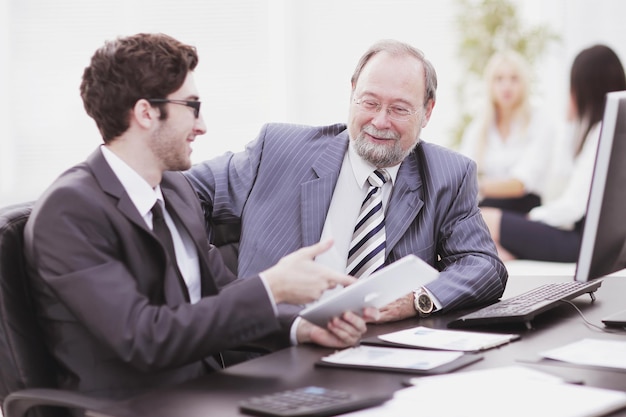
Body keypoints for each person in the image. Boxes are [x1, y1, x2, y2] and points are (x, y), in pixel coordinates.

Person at [23, 33, 377, 401]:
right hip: (130, 406)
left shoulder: (174, 190)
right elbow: (144, 339)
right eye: (192, 106)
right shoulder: (71, 210)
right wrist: (272, 287)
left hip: (205, 393)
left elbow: (220, 295)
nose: (202, 125)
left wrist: (303, 326)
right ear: (146, 112)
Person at [185, 39, 508, 323]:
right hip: (273, 347)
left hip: (383, 351)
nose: (380, 121)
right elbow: (181, 192)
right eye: (369, 103)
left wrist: (417, 299)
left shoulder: (448, 174)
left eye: (399, 109)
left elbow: (483, 266)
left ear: (427, 112)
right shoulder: (278, 148)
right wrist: (217, 281)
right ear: (352, 92)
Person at [481, 44, 626, 262]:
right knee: (491, 241)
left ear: (585, 88)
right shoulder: (611, 129)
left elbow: (574, 207)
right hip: (594, 242)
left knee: (482, 219)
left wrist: (534, 217)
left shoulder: (599, 133)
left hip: (579, 244)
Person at [459, 49, 556, 213]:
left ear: (524, 83)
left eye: (514, 78)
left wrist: (479, 186)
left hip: (525, 209)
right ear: (490, 84)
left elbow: (520, 184)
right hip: (486, 206)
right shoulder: (479, 128)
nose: (506, 86)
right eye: (499, 79)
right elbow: (461, 177)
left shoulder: (540, 121)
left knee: (477, 220)